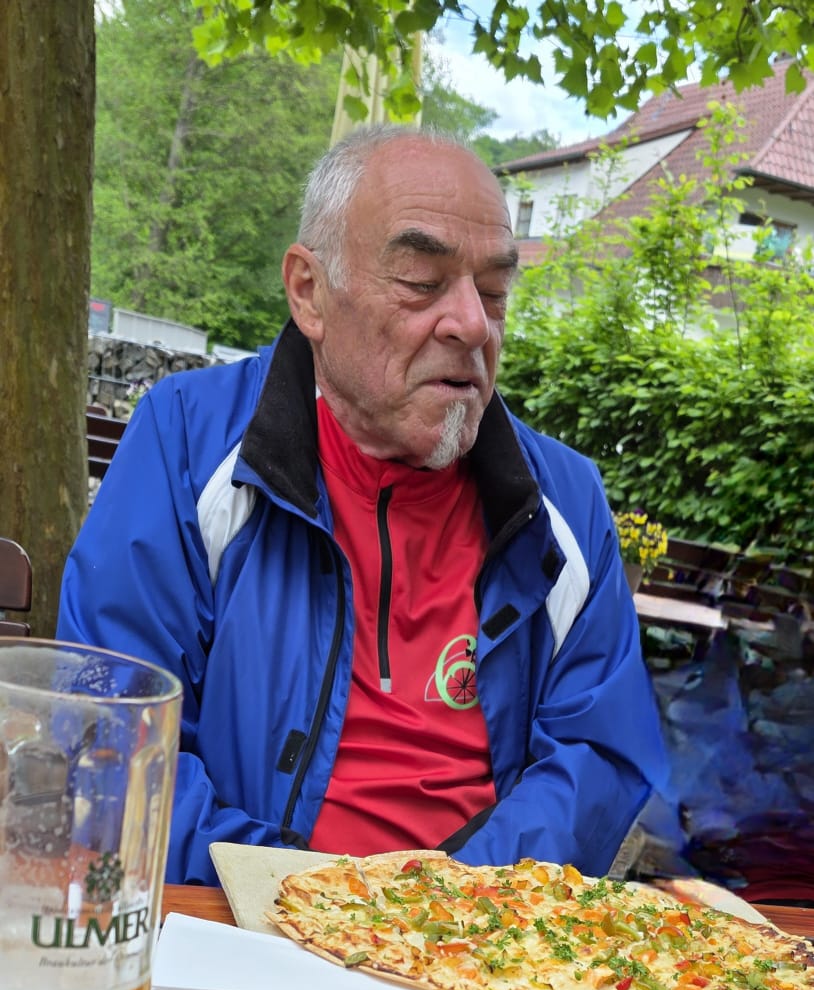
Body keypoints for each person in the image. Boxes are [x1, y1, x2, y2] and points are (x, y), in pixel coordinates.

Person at [58, 125, 666, 886]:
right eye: (421, 281)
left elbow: (599, 758)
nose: (472, 324)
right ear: (309, 292)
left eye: (494, 291)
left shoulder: (566, 504)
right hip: (232, 919)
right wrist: (303, 898)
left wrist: (432, 910)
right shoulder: (188, 440)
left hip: (476, 933)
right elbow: (110, 727)